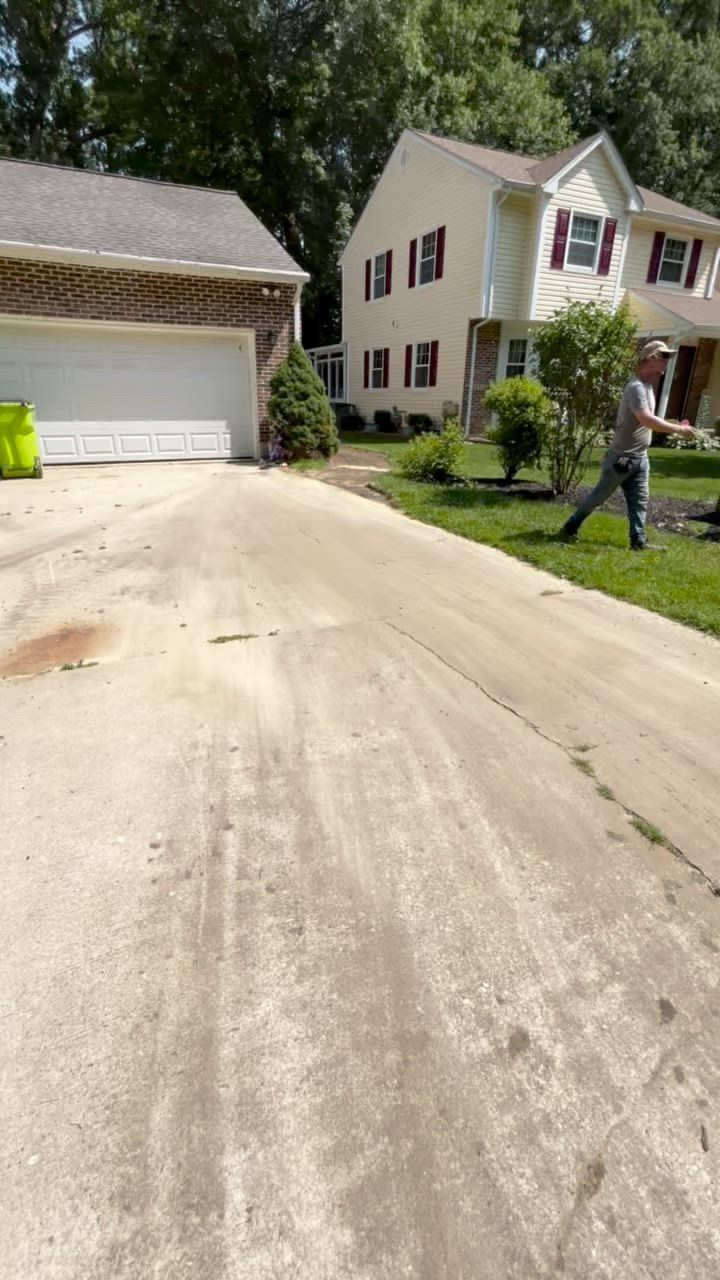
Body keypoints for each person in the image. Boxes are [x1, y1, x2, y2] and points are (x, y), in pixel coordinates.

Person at [560, 340, 695, 550]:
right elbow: (645, 419)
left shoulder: (649, 387)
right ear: (650, 358)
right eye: (664, 357)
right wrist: (678, 430)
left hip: (640, 457)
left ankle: (638, 542)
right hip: (622, 458)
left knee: (640, 500)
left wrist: (675, 425)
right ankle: (570, 527)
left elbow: (648, 419)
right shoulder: (636, 388)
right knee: (599, 497)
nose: (667, 362)